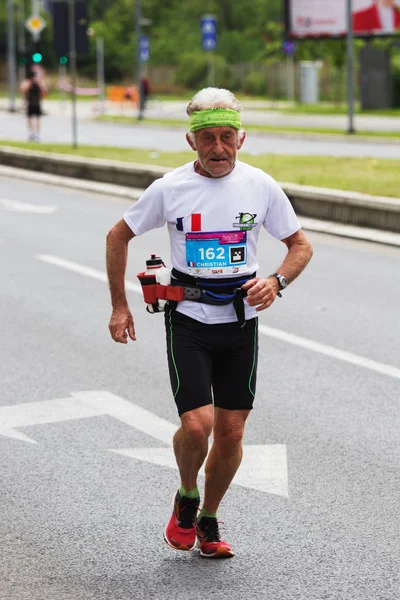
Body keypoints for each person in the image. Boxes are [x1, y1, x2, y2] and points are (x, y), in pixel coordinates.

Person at [106, 87, 313, 558]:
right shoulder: (170, 188)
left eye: (226, 137)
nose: (217, 148)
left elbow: (301, 245)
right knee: (197, 427)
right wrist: (121, 306)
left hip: (240, 323)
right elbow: (117, 235)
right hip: (189, 319)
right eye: (207, 138)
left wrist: (276, 282)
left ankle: (208, 519)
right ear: (190, 140)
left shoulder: (261, 186)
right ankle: (186, 494)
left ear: (241, 139)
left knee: (233, 432)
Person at [20, 68, 47, 142]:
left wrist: (40, 85)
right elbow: (23, 90)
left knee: (37, 119)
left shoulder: (39, 83)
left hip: (36, 103)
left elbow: (44, 94)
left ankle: (36, 134)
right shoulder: (29, 83)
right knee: (30, 119)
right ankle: (31, 133)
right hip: (31, 103)